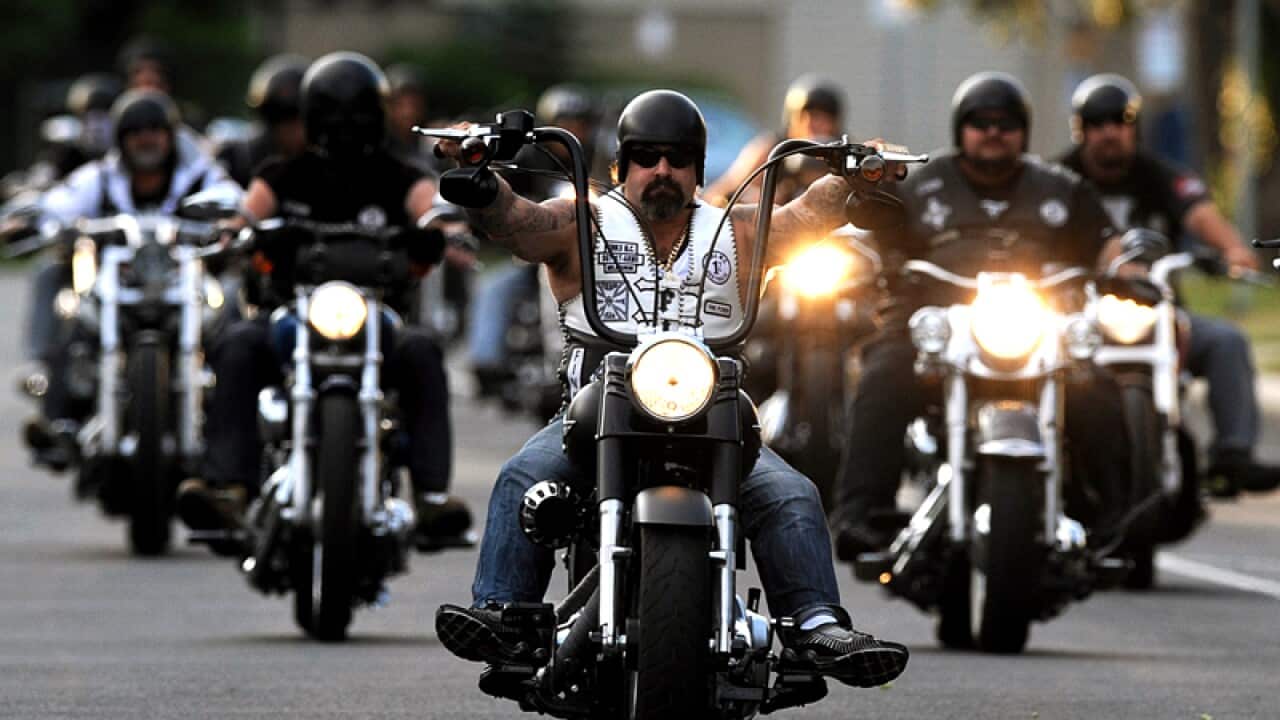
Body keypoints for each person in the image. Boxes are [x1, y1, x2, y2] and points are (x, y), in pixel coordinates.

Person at [434, 89, 910, 689]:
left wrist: (857, 176)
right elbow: (519, 222)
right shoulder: (582, 222)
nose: (662, 170)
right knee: (524, 475)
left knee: (792, 495)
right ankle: (502, 615)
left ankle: (816, 626)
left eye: (677, 158)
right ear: (620, 164)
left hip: (716, 420)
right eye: (646, 156)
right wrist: (478, 178)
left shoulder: (737, 231)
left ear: (698, 168)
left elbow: (806, 215)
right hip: (595, 416)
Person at [830, 72, 1134, 560]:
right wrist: (859, 263)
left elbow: (1107, 245)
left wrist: (1127, 268)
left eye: (1006, 123)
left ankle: (1114, 521)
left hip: (1036, 329)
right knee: (884, 373)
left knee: (1096, 388)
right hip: (934, 325)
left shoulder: (1061, 189)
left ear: (1025, 131)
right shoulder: (922, 184)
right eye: (980, 122)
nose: (993, 131)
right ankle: (862, 516)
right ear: (960, 128)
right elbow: (873, 238)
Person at [176, 52, 472, 549]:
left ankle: (431, 497)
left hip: (377, 314)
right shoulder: (282, 174)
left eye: (355, 113)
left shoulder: (401, 175)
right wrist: (233, 230)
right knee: (237, 342)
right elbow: (249, 213)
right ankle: (227, 484)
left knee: (422, 349)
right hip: (293, 313)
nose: (345, 125)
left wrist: (447, 227)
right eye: (335, 114)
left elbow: (431, 206)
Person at [1058, 72, 1280, 497]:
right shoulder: (1059, 181)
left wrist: (1232, 249)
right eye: (1097, 122)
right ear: (1081, 130)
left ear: (1134, 128)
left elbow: (1197, 211)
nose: (1109, 132)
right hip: (1078, 320)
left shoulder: (1158, 175)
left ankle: (1233, 456)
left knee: (1225, 341)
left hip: (1156, 312)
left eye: (1119, 121)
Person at [20, 89, 242, 469]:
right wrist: (40, 220)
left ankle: (229, 432)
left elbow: (232, 198)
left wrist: (228, 219)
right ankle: (60, 424)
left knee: (230, 328)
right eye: (136, 131)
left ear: (171, 136)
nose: (147, 139)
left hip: (185, 285)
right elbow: (58, 204)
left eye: (156, 129)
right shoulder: (100, 178)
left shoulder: (199, 173)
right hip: (118, 287)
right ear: (121, 140)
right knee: (75, 314)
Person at [704, 74, 844, 206]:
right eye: (806, 116)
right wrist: (760, 198)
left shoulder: (844, 156)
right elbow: (723, 191)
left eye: (823, 118)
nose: (814, 124)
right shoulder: (772, 149)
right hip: (772, 227)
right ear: (792, 119)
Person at [217, 55, 309, 187]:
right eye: (286, 125)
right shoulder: (237, 159)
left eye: (300, 123)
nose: (298, 135)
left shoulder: (322, 167)